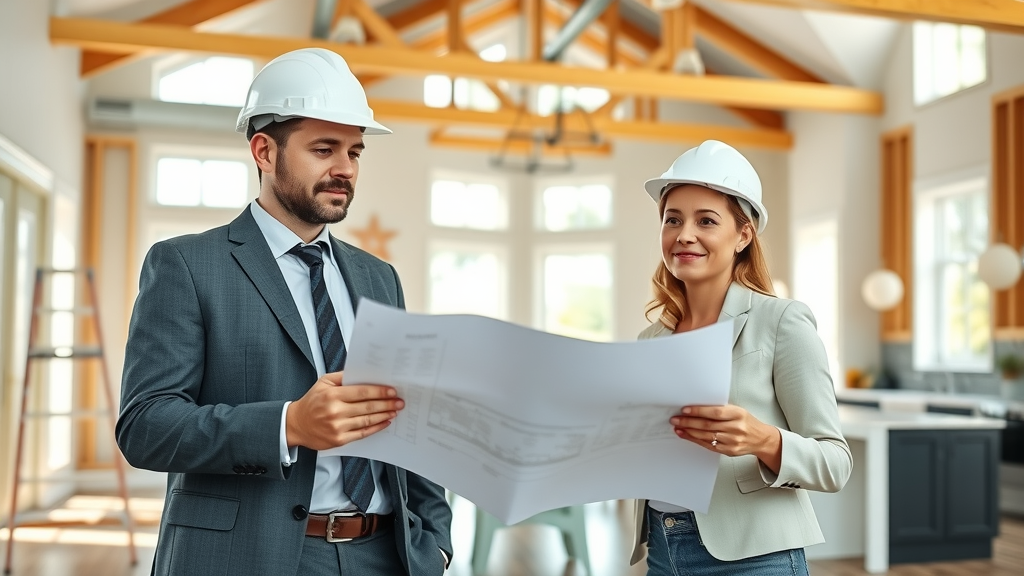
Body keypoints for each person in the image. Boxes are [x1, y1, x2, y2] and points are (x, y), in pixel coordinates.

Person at [116, 48, 452, 576]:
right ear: (264, 152)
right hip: (247, 556)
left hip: (385, 555)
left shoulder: (378, 277)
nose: (345, 169)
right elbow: (145, 427)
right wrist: (289, 423)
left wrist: (435, 541)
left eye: (356, 152)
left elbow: (406, 420)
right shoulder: (185, 265)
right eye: (324, 149)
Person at [629, 140, 852, 575]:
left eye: (706, 220)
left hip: (754, 558)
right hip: (662, 548)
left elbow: (835, 464)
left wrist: (764, 440)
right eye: (672, 219)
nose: (684, 234)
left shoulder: (782, 322)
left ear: (743, 235)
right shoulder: (650, 339)